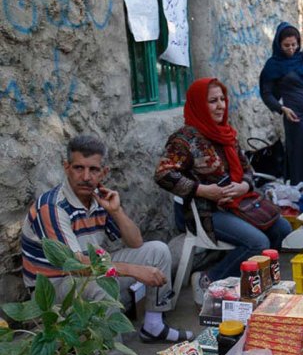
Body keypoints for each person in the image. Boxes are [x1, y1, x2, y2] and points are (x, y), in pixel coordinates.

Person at [22, 135, 192, 343]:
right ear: (66, 168)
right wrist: (133, 270)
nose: (86, 176)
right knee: (101, 284)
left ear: (104, 172)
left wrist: (116, 211)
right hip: (54, 287)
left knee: (157, 250)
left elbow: (136, 242)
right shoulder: (53, 207)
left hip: (89, 271)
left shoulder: (97, 199)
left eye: (93, 169)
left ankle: (154, 325)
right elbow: (74, 264)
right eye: (78, 168)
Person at [156, 78, 292, 302]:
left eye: (222, 99)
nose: (220, 105)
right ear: (199, 104)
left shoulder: (226, 133)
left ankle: (252, 282)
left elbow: (247, 169)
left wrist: (244, 186)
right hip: (206, 211)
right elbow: (163, 174)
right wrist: (202, 190)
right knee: (257, 243)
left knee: (282, 229)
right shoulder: (184, 140)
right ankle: (209, 278)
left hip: (238, 204)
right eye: (212, 101)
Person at [260, 22, 303, 185]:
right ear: (279, 44)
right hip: (296, 117)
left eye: (294, 44)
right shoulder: (273, 65)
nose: (291, 48)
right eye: (286, 45)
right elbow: (266, 94)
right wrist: (282, 109)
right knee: (301, 154)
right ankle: (301, 191)